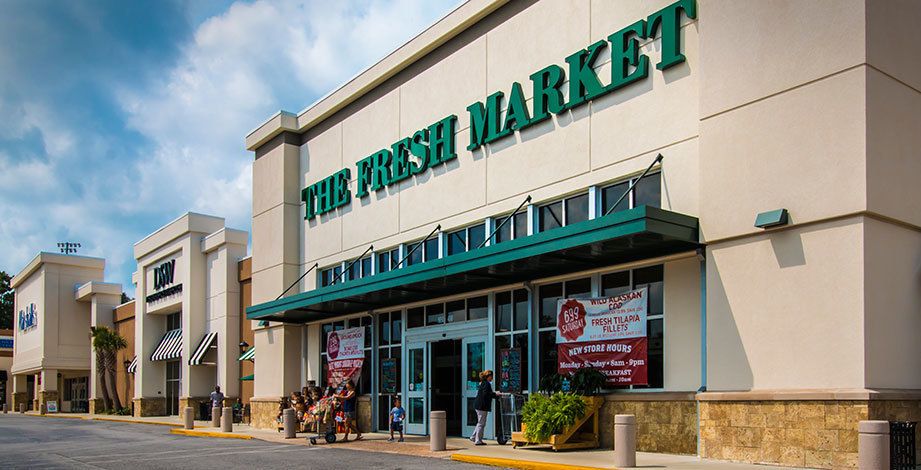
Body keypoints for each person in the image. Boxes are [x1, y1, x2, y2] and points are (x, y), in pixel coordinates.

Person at [471, 370, 504, 445]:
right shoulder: (486, 384)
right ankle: (478, 440)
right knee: (481, 423)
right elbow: (486, 394)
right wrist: (496, 394)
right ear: (488, 376)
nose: (492, 378)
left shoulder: (484, 383)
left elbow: (487, 393)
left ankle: (473, 437)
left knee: (480, 422)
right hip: (481, 406)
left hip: (479, 405)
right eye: (491, 376)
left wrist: (495, 394)